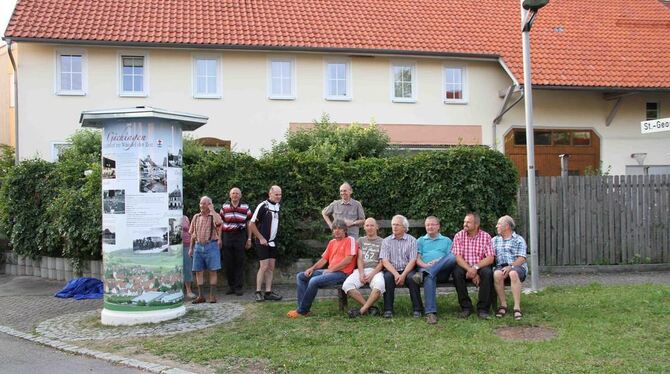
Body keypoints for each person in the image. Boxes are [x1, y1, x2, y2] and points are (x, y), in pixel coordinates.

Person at [288, 219, 357, 318]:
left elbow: (348, 260)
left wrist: (331, 270)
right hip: (330, 272)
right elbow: (324, 260)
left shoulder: (350, 240)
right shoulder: (332, 242)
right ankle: (303, 309)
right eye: (334, 229)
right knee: (301, 276)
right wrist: (312, 268)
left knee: (314, 281)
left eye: (339, 228)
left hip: (343, 273)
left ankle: (302, 311)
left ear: (345, 230)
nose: (336, 231)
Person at [411, 216, 456, 324]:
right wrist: (426, 266)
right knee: (429, 277)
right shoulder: (420, 241)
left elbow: (449, 257)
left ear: (438, 226)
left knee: (453, 257)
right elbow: (417, 259)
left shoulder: (446, 240)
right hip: (425, 270)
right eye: (427, 225)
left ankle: (427, 273)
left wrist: (439, 261)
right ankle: (430, 314)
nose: (430, 227)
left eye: (432, 224)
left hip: (442, 272)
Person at [451, 212, 495, 319]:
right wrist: (470, 269)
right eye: (464, 222)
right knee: (457, 273)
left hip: (480, 266)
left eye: (468, 222)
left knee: (487, 272)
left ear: (476, 225)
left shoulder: (485, 236)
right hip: (464, 265)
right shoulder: (459, 235)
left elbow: (490, 258)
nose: (465, 224)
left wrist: (475, 268)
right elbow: (457, 257)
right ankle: (466, 307)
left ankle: (483, 309)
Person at [379, 214, 422, 318]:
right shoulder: (386, 241)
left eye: (397, 225)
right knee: (388, 278)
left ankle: (417, 309)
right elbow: (385, 261)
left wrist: (403, 275)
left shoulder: (412, 240)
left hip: (407, 269)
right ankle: (388, 309)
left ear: (404, 227)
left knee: (413, 279)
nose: (394, 227)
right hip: (392, 270)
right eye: (393, 224)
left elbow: (413, 260)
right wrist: (396, 274)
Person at [342, 217, 385, 318]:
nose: (369, 227)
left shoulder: (383, 242)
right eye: (367, 225)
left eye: (372, 225)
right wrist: (361, 273)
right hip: (361, 270)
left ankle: (362, 310)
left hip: (376, 271)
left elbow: (382, 262)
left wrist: (371, 274)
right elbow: (360, 259)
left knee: (379, 286)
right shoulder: (360, 240)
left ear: (377, 227)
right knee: (347, 285)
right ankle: (369, 308)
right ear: (364, 228)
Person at [249, 185, 283, 302]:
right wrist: (261, 238)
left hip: (272, 242)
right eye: (276, 194)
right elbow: (251, 224)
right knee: (263, 266)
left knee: (271, 267)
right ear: (270, 194)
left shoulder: (278, 206)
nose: (278, 197)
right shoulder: (263, 206)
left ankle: (268, 292)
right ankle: (258, 292)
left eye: (280, 194)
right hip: (262, 242)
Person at [492, 215, 528, 321]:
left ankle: (517, 307)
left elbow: (522, 258)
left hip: (517, 267)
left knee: (513, 273)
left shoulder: (518, 239)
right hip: (500, 267)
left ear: (507, 226)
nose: (496, 226)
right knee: (497, 274)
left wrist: (510, 267)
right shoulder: (494, 240)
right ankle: (503, 305)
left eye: (499, 224)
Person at [189, 196, 223, 304]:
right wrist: (191, 248)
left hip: (211, 245)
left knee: (213, 270)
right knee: (198, 271)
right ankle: (201, 296)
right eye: (201, 203)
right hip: (198, 246)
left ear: (209, 204)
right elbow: (192, 234)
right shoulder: (196, 217)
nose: (202, 206)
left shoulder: (214, 216)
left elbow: (219, 223)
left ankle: (212, 296)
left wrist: (212, 210)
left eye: (204, 203)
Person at [219, 187, 252, 296]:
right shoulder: (224, 207)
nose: (235, 195)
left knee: (239, 262)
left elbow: (249, 224)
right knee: (228, 263)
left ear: (240, 196)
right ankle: (231, 286)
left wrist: (249, 238)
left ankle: (238, 287)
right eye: (233, 193)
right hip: (227, 236)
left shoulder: (245, 207)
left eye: (237, 193)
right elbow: (220, 224)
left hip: (240, 236)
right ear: (230, 195)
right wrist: (219, 238)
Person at [181, 214, 195, 299]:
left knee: (187, 268)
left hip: (187, 245)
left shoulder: (185, 217)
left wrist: (191, 246)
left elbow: (190, 231)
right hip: (174, 247)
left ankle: (188, 290)